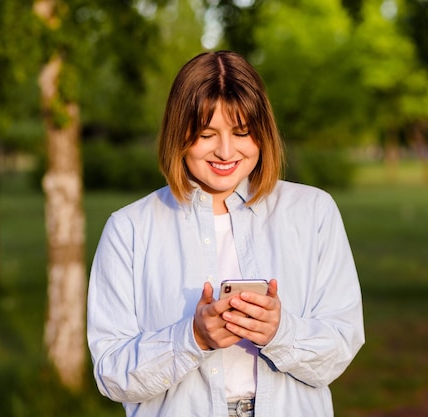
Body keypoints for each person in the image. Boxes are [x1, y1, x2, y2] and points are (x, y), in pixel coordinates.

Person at [87, 50, 364, 417]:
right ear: (178, 135)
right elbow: (111, 374)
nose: (226, 151)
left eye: (242, 132)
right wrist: (193, 338)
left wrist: (281, 331)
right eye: (206, 134)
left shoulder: (313, 212)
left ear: (262, 133)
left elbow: (342, 345)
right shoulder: (130, 229)